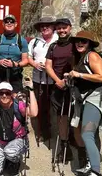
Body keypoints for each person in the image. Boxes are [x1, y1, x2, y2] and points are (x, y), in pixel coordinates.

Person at [63, 31, 102, 176]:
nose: (80, 43)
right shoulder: (81, 57)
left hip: (93, 99)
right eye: (77, 41)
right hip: (83, 99)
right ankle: (91, 164)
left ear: (89, 43)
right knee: (92, 134)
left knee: (87, 134)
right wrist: (71, 76)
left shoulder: (92, 56)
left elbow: (101, 77)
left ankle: (95, 171)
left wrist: (79, 74)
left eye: (83, 41)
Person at [0, 82, 38, 176]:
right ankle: (5, 158)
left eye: (7, 93)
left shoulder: (18, 105)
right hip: (0, 141)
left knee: (10, 153)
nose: (4, 95)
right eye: (1, 93)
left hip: (18, 139)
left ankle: (15, 161)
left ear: (11, 94)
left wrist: (31, 91)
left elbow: (34, 113)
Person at [44, 17, 76, 162]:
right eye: (59, 28)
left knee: (75, 117)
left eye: (65, 28)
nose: (62, 31)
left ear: (70, 28)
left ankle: (79, 145)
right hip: (57, 86)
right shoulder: (53, 46)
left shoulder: (76, 44)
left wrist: (68, 79)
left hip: (73, 86)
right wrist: (58, 81)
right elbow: (48, 66)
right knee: (61, 118)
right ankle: (64, 146)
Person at [27, 15, 59, 144]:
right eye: (42, 26)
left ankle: (60, 132)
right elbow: (29, 57)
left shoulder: (58, 41)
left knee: (55, 105)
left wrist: (50, 67)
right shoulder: (34, 41)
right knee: (40, 105)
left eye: (47, 25)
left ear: (53, 27)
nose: (44, 28)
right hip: (38, 79)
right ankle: (44, 132)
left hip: (54, 79)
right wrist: (35, 64)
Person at [0, 15, 29, 95]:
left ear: (15, 24)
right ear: (3, 24)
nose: (9, 23)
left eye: (11, 21)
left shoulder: (21, 40)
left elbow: (25, 60)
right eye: (6, 22)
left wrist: (16, 64)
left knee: (16, 96)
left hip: (15, 74)